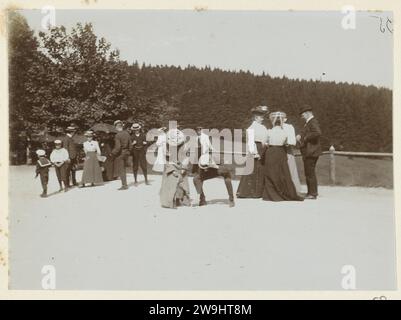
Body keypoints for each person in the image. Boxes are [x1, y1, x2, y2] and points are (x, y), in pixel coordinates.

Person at [262, 113, 304, 202]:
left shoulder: (269, 131)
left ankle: (271, 193)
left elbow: (264, 143)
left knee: (270, 172)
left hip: (271, 151)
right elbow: (287, 142)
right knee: (282, 173)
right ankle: (283, 191)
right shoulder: (284, 132)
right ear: (280, 122)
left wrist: (267, 144)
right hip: (281, 152)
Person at [192, 127, 235, 208]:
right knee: (196, 179)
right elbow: (199, 171)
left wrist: (215, 166)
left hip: (218, 169)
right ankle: (202, 199)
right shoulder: (202, 158)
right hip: (209, 171)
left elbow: (226, 170)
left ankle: (231, 199)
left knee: (227, 177)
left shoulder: (215, 156)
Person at [236, 106, 269, 198]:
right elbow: (250, 142)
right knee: (253, 170)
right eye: (260, 116)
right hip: (255, 150)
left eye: (263, 116)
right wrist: (255, 153)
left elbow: (266, 138)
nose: (262, 118)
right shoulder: (251, 128)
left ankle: (259, 192)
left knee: (261, 170)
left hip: (263, 149)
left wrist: (266, 144)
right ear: (255, 117)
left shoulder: (263, 127)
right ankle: (248, 192)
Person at [160, 128, 191, 208]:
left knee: (182, 182)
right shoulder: (165, 146)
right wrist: (172, 169)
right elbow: (166, 159)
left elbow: (187, 157)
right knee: (171, 182)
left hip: (181, 164)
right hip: (170, 165)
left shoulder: (186, 146)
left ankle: (181, 199)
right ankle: (169, 201)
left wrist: (184, 168)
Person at [296, 105, 322, 199]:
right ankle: (311, 192)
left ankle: (312, 193)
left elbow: (317, 133)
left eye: (302, 114)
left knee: (309, 172)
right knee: (309, 172)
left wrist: (305, 137)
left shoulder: (312, 121)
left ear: (307, 113)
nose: (301, 116)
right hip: (310, 151)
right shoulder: (309, 122)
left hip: (311, 151)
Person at [280, 112, 302, 194]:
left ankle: (293, 189)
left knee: (290, 168)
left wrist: (288, 143)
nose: (281, 120)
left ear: (285, 119)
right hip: (279, 150)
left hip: (288, 150)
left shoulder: (289, 127)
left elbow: (292, 140)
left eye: (283, 118)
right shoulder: (275, 127)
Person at [110, 120, 131, 190]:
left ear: (116, 127)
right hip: (126, 153)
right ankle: (125, 184)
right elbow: (130, 145)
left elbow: (118, 147)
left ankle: (124, 185)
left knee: (122, 169)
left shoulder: (117, 135)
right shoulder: (127, 133)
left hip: (121, 154)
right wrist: (128, 152)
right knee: (124, 169)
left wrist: (112, 153)